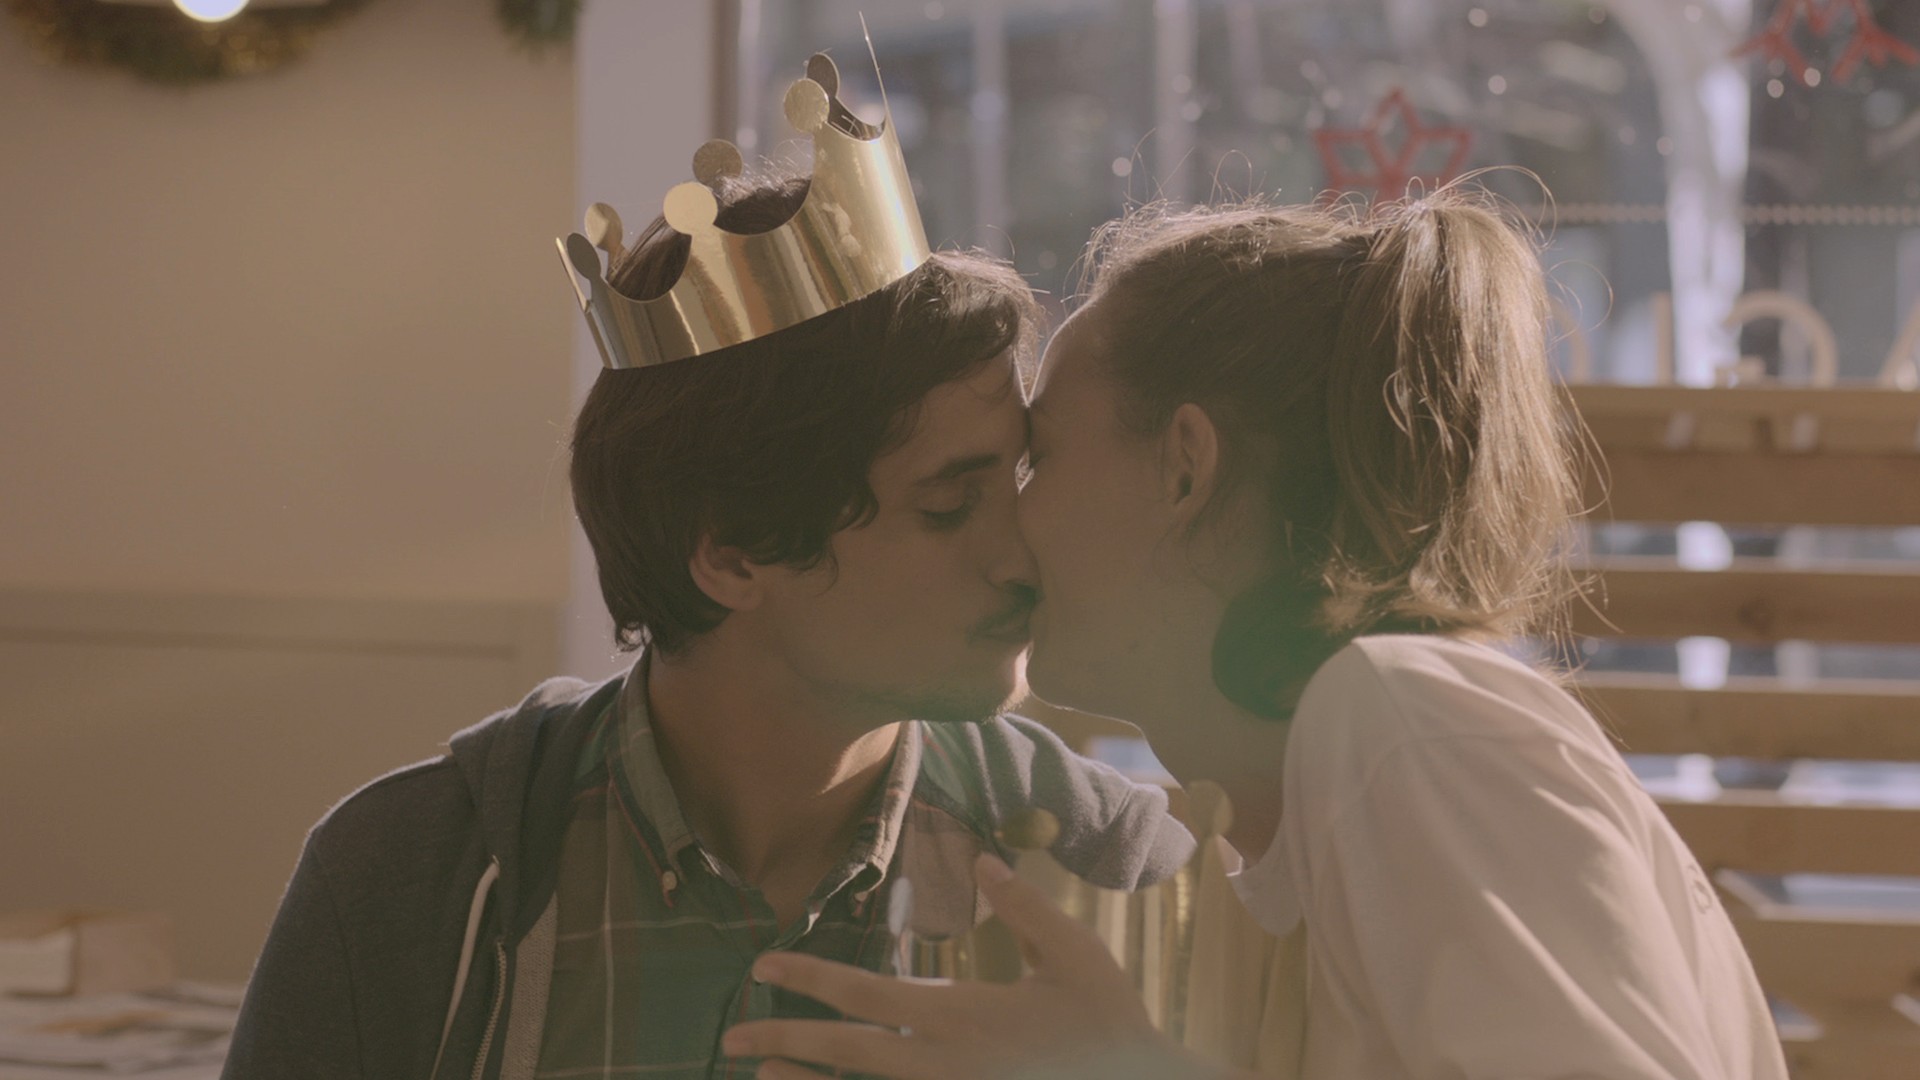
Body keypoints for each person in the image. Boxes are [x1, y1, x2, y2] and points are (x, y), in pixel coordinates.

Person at [221, 56, 1191, 1080]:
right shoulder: (408, 878)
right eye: (949, 506)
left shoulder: (1102, 865)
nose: (1021, 553)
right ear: (731, 555)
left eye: (1016, 480)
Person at [720, 186, 1792, 1080]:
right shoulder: (1293, 828)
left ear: (1184, 468)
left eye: (1041, 460)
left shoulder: (1407, 722)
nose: (1010, 526)